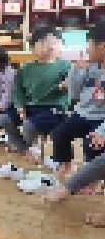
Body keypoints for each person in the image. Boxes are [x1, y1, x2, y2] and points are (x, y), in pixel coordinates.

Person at [0, 27, 71, 178]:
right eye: (44, 43)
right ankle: (26, 150)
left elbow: (75, 85)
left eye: (55, 43)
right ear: (33, 48)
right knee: (4, 118)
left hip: (54, 109)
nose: (50, 47)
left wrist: (70, 82)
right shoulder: (26, 68)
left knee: (29, 124)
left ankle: (31, 150)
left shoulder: (65, 66)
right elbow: (18, 90)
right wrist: (20, 106)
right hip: (31, 107)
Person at [51, 23, 105, 183]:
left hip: (102, 119)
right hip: (83, 114)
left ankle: (94, 180)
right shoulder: (88, 66)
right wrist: (77, 71)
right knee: (60, 132)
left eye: (90, 44)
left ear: (102, 46)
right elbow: (74, 94)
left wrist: (101, 131)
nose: (87, 49)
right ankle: (67, 166)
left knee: (92, 143)